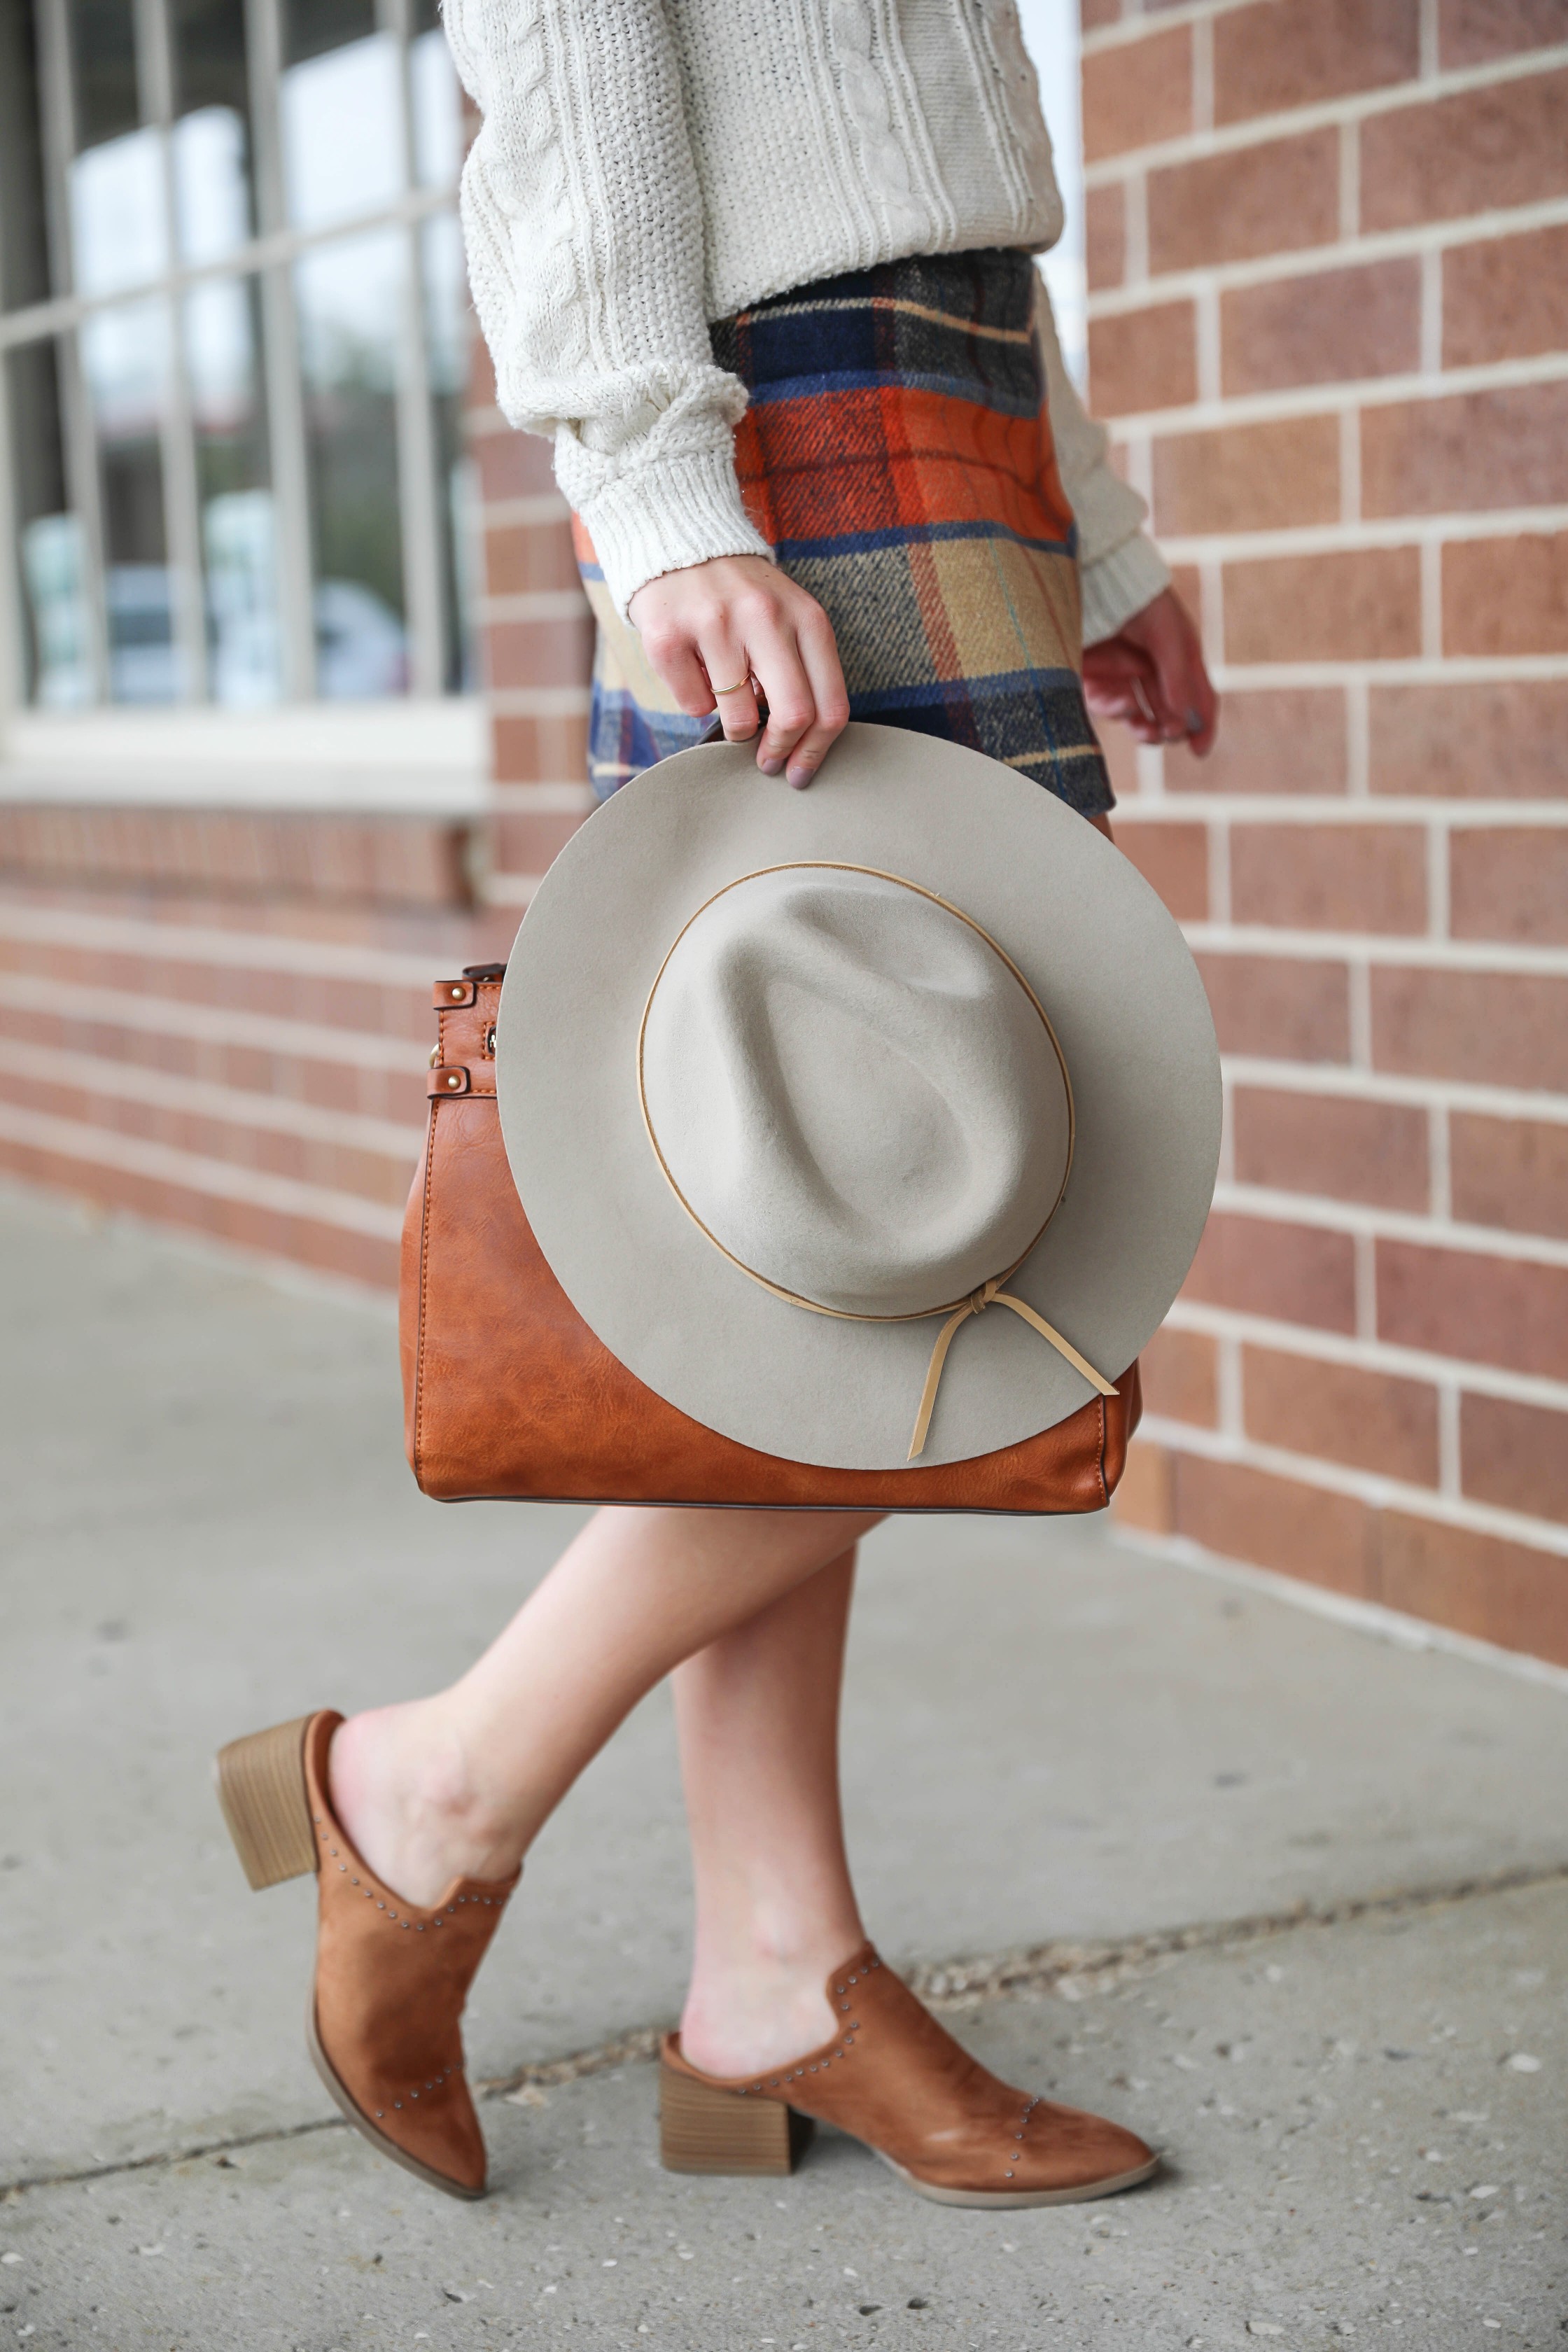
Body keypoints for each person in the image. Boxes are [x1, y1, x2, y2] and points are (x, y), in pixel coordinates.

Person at [219, 0, 1217, 2207]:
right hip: (784, 455)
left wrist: (1103, 534)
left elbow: (935, 172)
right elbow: (564, 89)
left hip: (958, 426)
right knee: (973, 1253)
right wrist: (660, 496)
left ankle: (772, 1971)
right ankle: (435, 1791)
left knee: (830, 1270)